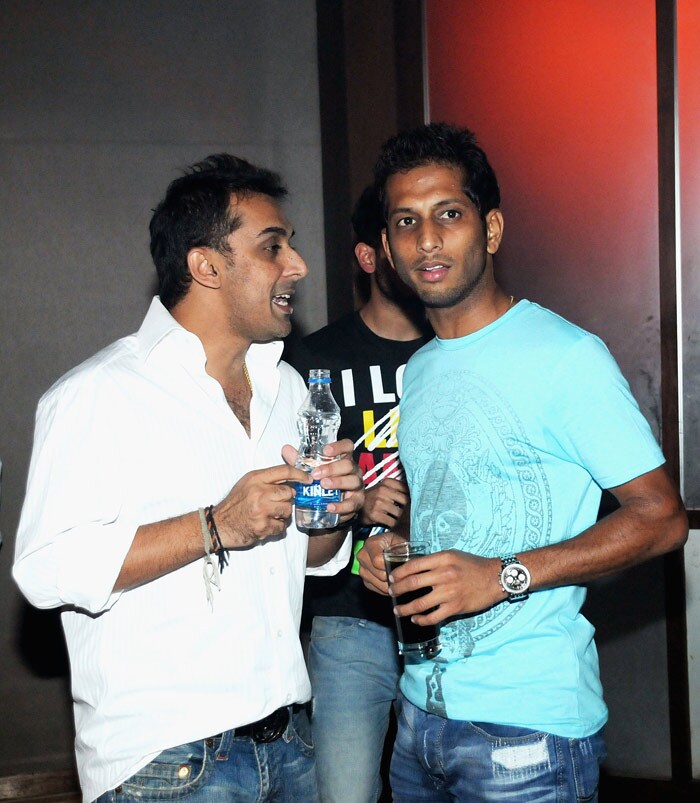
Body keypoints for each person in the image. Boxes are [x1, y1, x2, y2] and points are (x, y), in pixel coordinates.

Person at [13, 154, 364, 803]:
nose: (298, 266)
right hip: (168, 763)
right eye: (273, 247)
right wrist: (214, 524)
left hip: (289, 742)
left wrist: (335, 510)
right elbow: (45, 568)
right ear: (206, 265)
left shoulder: (287, 388)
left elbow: (309, 558)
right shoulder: (97, 395)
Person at [357, 123, 688, 802]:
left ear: (492, 229)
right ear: (387, 250)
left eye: (448, 214)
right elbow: (451, 508)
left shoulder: (565, 356)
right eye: (406, 222)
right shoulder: (417, 372)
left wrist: (503, 575)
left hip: (526, 734)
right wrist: (392, 546)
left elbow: (662, 518)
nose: (427, 239)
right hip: (418, 720)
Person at [285, 184, 431, 803]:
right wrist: (357, 506)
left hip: (455, 615)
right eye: (400, 234)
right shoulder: (312, 359)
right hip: (349, 620)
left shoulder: (457, 351)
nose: (422, 249)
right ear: (371, 257)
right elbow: (284, 481)